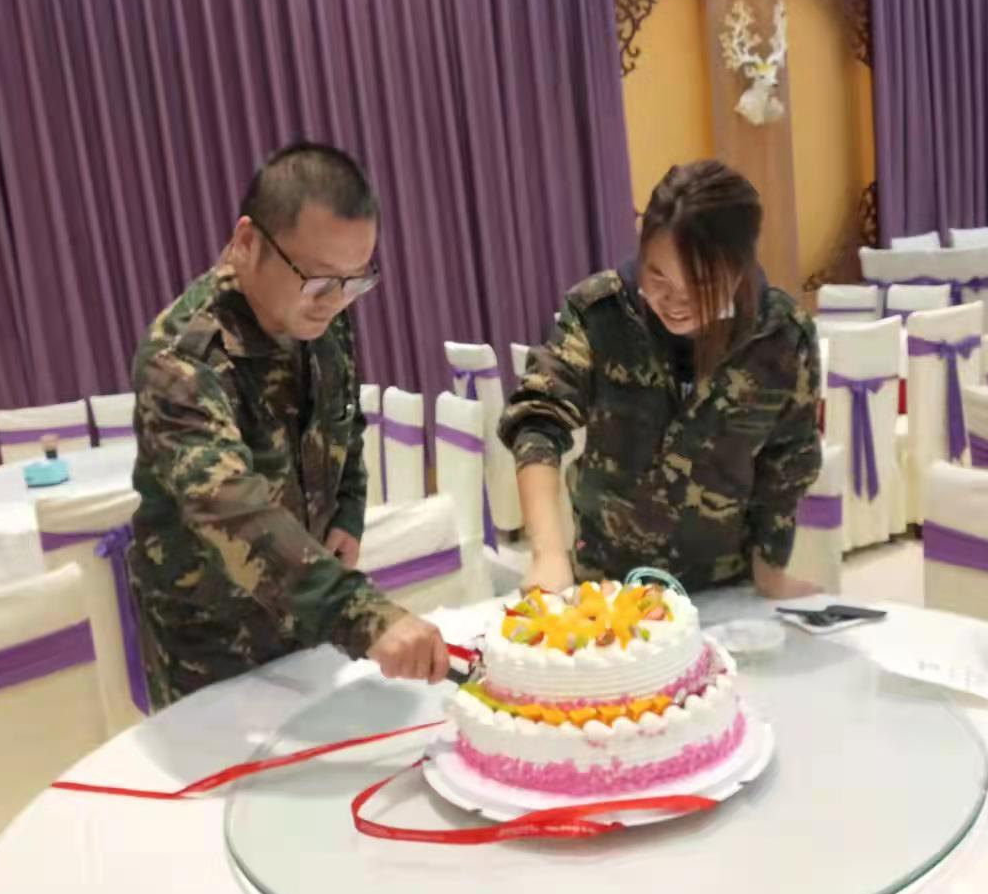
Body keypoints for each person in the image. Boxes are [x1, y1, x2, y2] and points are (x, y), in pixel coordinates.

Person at [130, 142, 448, 705]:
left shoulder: (322, 314)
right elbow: (230, 508)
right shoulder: (181, 357)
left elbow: (344, 421)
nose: (336, 301)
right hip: (212, 650)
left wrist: (347, 508)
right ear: (248, 242)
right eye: (320, 280)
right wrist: (363, 614)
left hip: (308, 620)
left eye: (356, 280)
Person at [499, 160, 822, 599]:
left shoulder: (780, 336)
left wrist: (770, 574)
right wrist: (547, 555)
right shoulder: (601, 313)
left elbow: (787, 463)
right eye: (658, 277)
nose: (676, 302)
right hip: (608, 585)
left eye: (701, 284)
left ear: (741, 267)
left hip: (722, 588)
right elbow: (538, 419)